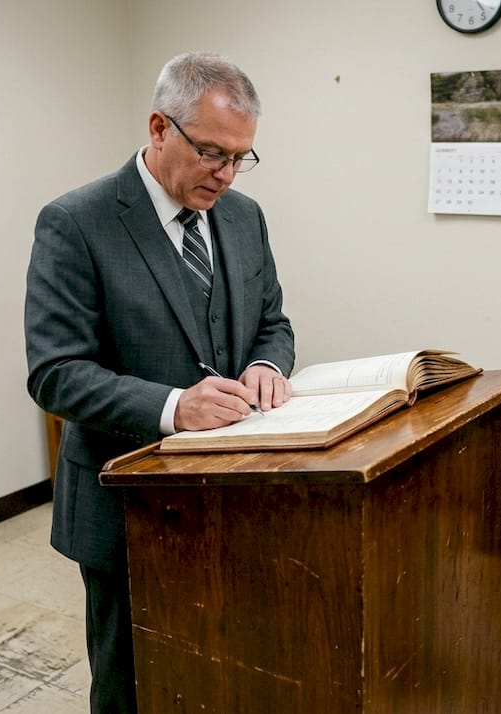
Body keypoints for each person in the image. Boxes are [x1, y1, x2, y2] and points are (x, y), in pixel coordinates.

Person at [23, 51, 295, 713]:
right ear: (158, 127)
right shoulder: (76, 223)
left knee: (221, 670)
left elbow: (273, 323)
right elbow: (55, 372)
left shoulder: (243, 217)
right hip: (126, 507)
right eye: (211, 153)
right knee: (132, 684)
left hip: (234, 499)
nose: (226, 175)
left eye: (241, 158)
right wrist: (175, 406)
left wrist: (266, 365)